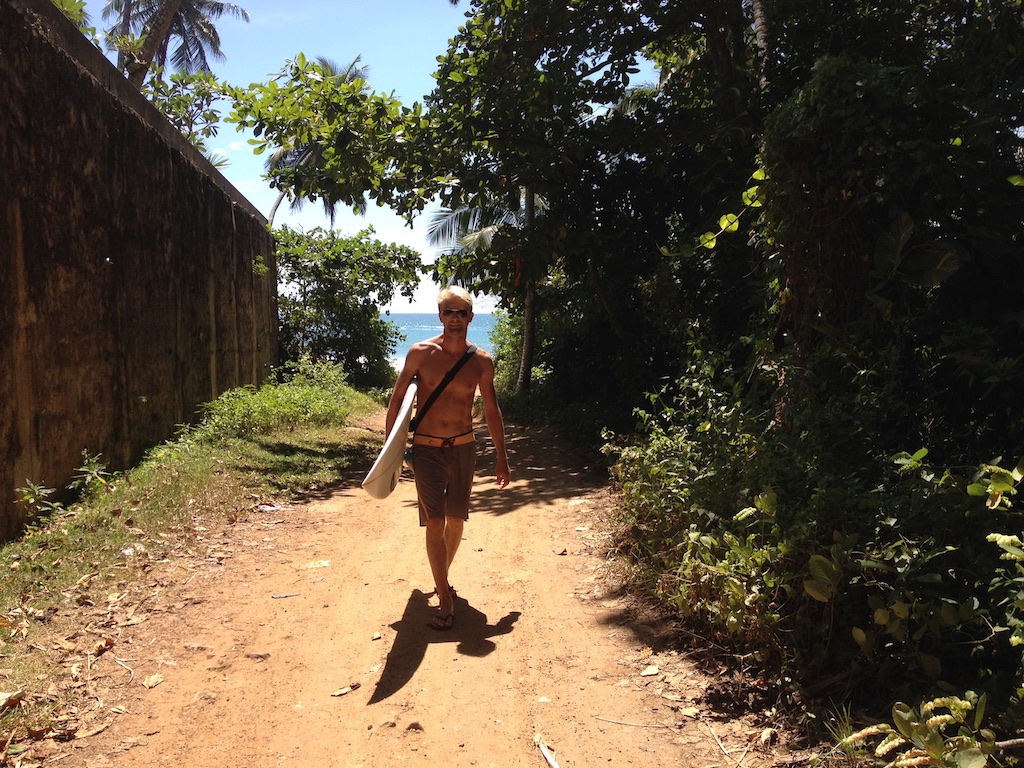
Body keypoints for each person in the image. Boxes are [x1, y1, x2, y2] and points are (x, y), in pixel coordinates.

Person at [386, 286, 511, 631]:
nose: (455, 319)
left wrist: (502, 457)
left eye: (461, 313)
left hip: (463, 447)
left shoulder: (482, 361)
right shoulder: (420, 353)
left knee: (456, 520)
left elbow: (491, 409)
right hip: (426, 448)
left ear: (471, 317)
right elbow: (397, 401)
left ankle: (442, 577)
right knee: (436, 521)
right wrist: (389, 452)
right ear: (439, 316)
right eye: (448, 313)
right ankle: (444, 596)